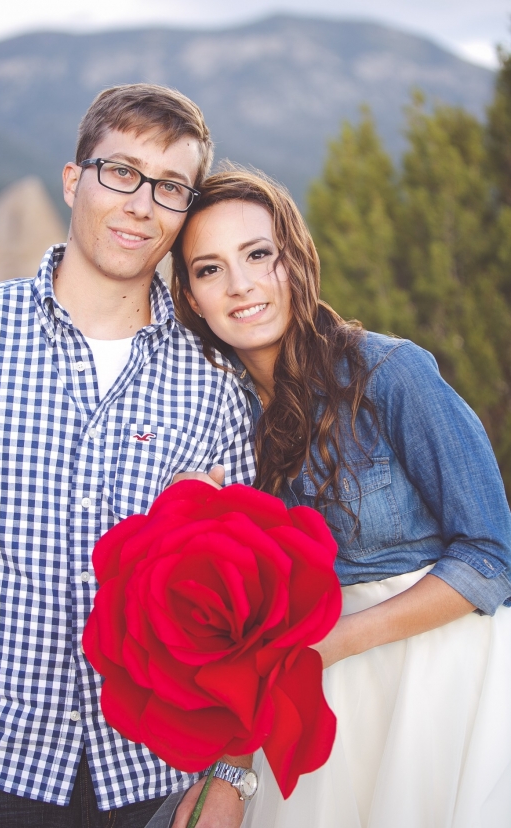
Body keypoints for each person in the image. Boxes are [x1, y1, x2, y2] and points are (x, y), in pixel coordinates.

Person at [0, 85, 256, 828]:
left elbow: (245, 608)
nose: (140, 203)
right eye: (120, 172)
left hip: (157, 777)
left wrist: (231, 774)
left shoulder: (217, 384)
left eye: (169, 187)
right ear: (75, 181)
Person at [171, 167, 511, 828]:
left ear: (295, 258)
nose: (240, 285)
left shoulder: (390, 373)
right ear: (191, 296)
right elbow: (251, 634)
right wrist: (229, 772)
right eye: (209, 270)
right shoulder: (219, 423)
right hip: (313, 715)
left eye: (258, 255)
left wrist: (338, 641)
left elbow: (493, 556)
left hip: (438, 688)